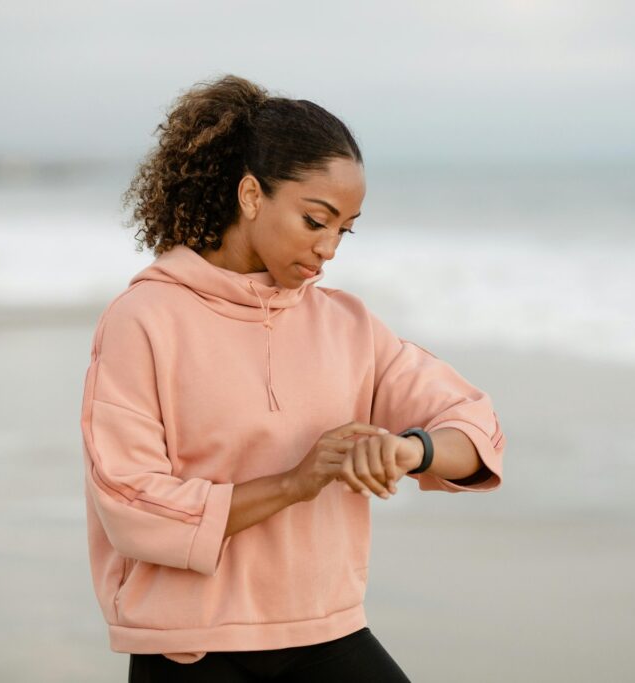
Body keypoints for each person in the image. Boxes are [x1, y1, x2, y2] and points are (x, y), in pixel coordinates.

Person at [80, 74, 506, 682]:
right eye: (315, 220)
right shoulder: (144, 319)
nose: (330, 247)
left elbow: (476, 427)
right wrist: (295, 482)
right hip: (194, 648)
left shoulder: (348, 325)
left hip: (328, 631)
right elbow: (131, 506)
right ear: (251, 195)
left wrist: (410, 450)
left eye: (345, 229)